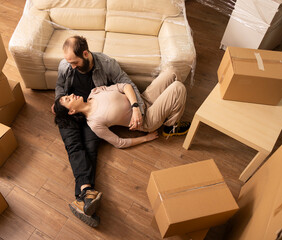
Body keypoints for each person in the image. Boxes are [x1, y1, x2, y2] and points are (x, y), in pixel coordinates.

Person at [52, 35, 144, 227]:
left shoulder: (106, 63)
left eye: (75, 62)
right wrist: (60, 101)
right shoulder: (65, 65)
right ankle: (87, 194)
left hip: (93, 113)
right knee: (74, 147)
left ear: (85, 54)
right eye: (69, 63)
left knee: (90, 148)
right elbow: (61, 85)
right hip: (70, 111)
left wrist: (138, 109)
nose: (72, 67)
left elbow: (126, 82)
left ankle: (83, 196)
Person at [54, 68, 190, 149]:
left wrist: (136, 108)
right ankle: (170, 127)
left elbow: (125, 86)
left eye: (68, 96)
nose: (71, 95)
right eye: (68, 99)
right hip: (147, 118)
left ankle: (171, 111)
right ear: (71, 111)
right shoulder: (94, 123)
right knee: (178, 87)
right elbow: (119, 142)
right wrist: (145, 138)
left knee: (171, 72)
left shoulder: (94, 92)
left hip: (142, 100)